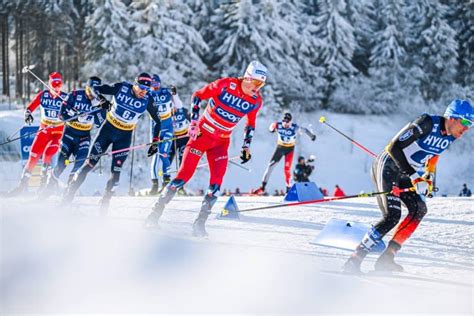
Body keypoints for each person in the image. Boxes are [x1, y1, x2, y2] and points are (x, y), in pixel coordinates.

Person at [343, 99, 473, 274]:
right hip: (388, 165)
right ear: (451, 117)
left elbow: (434, 155)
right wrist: (415, 177)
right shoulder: (427, 122)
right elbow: (393, 147)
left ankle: (387, 258)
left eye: (471, 124)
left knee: (419, 209)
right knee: (392, 215)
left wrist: (428, 176)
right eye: (465, 122)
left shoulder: (451, 135)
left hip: (406, 172)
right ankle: (354, 260)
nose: (467, 129)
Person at [145, 60, 267, 237]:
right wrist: (194, 122)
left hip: (221, 143)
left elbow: (251, 124)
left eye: (261, 84)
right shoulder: (226, 85)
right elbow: (197, 96)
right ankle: (153, 216)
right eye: (256, 82)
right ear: (247, 78)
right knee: (182, 177)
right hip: (201, 136)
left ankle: (199, 224)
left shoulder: (255, 101)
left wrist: (246, 146)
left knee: (216, 185)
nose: (258, 88)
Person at [62, 72, 161, 210]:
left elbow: (157, 120)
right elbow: (94, 89)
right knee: (89, 164)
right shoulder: (121, 88)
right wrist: (102, 99)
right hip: (107, 131)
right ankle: (69, 195)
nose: (144, 91)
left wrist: (155, 141)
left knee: (116, 173)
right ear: (135, 84)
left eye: (147, 88)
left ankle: (105, 203)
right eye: (141, 88)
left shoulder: (148, 99)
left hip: (124, 137)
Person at [45, 76, 109, 193]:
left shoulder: (99, 102)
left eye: (96, 91)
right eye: (91, 89)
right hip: (69, 134)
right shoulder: (74, 95)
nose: (93, 93)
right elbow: (61, 115)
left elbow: (100, 123)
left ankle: (69, 191)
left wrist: (97, 109)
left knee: (79, 163)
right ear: (86, 87)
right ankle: (49, 186)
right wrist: (76, 117)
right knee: (61, 165)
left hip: (84, 137)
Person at [9, 72, 68, 195]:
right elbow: (31, 107)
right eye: (54, 85)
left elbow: (77, 111)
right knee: (33, 156)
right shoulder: (43, 95)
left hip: (56, 133)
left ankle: (43, 184)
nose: (56, 88)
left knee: (47, 154)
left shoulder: (65, 98)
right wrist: (28, 114)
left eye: (59, 85)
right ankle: (22, 185)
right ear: (49, 85)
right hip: (43, 131)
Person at [253, 112, 316, 194]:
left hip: (289, 150)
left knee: (286, 170)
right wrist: (271, 128)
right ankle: (262, 187)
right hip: (280, 148)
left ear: (290, 122)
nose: (285, 124)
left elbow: (305, 130)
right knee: (270, 167)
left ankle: (288, 188)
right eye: (284, 121)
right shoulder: (278, 125)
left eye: (287, 122)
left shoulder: (294, 127)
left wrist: (312, 136)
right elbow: (270, 129)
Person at [146, 74, 183, 195]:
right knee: (156, 156)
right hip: (155, 129)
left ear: (160, 83)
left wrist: (175, 94)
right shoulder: (147, 94)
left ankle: (166, 182)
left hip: (167, 128)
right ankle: (154, 185)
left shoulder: (165, 92)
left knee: (164, 154)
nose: (155, 87)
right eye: (152, 84)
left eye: (156, 84)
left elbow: (179, 106)